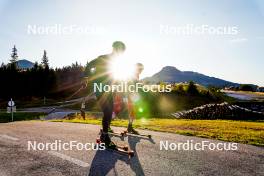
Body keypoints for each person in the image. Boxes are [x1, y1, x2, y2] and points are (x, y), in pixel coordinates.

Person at [86, 41, 126, 148]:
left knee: (109, 112)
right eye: (119, 50)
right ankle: (105, 137)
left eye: (122, 51)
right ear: (114, 48)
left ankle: (105, 132)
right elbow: (90, 65)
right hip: (100, 90)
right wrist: (87, 77)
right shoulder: (102, 58)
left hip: (109, 91)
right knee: (107, 111)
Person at [126, 63, 144, 134]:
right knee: (131, 112)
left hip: (133, 96)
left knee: (133, 112)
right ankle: (106, 126)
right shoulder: (132, 75)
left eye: (142, 70)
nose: (141, 71)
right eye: (141, 69)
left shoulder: (137, 75)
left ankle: (130, 127)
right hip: (130, 95)